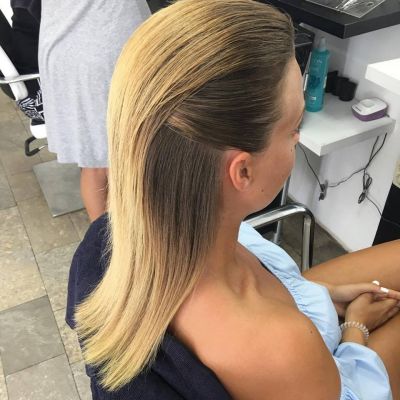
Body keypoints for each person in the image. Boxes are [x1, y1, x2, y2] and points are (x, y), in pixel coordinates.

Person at [66, 0, 400, 398]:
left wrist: (325, 296)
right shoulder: (280, 347)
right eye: (294, 128)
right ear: (242, 172)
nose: (297, 139)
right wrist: (355, 329)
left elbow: (272, 287)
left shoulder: (128, 233)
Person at [38, 1, 151, 221]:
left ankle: (106, 238)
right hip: (102, 49)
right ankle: (124, 237)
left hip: (69, 44)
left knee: (97, 162)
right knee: (118, 162)